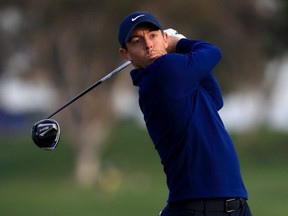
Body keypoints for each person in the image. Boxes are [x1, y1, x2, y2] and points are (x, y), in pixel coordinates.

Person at [118, 11, 252, 216]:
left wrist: (175, 49)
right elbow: (212, 52)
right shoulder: (161, 73)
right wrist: (179, 42)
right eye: (137, 41)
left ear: (162, 38)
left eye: (153, 36)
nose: (148, 44)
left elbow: (215, 100)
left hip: (234, 206)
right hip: (198, 207)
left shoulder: (172, 77)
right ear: (125, 54)